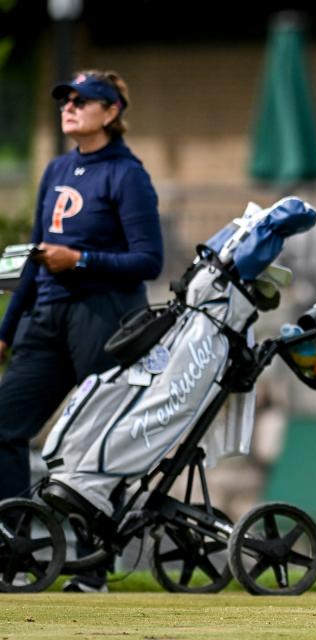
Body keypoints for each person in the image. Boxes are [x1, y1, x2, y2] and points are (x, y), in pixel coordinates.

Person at [0, 70, 163, 592]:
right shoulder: (56, 168)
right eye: (65, 99)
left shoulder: (127, 174)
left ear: (111, 112)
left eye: (82, 100)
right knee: (5, 425)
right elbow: (31, 255)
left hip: (103, 316)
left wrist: (83, 259)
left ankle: (93, 569)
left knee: (96, 444)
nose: (69, 107)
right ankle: (15, 547)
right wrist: (6, 329)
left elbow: (149, 260)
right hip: (46, 316)